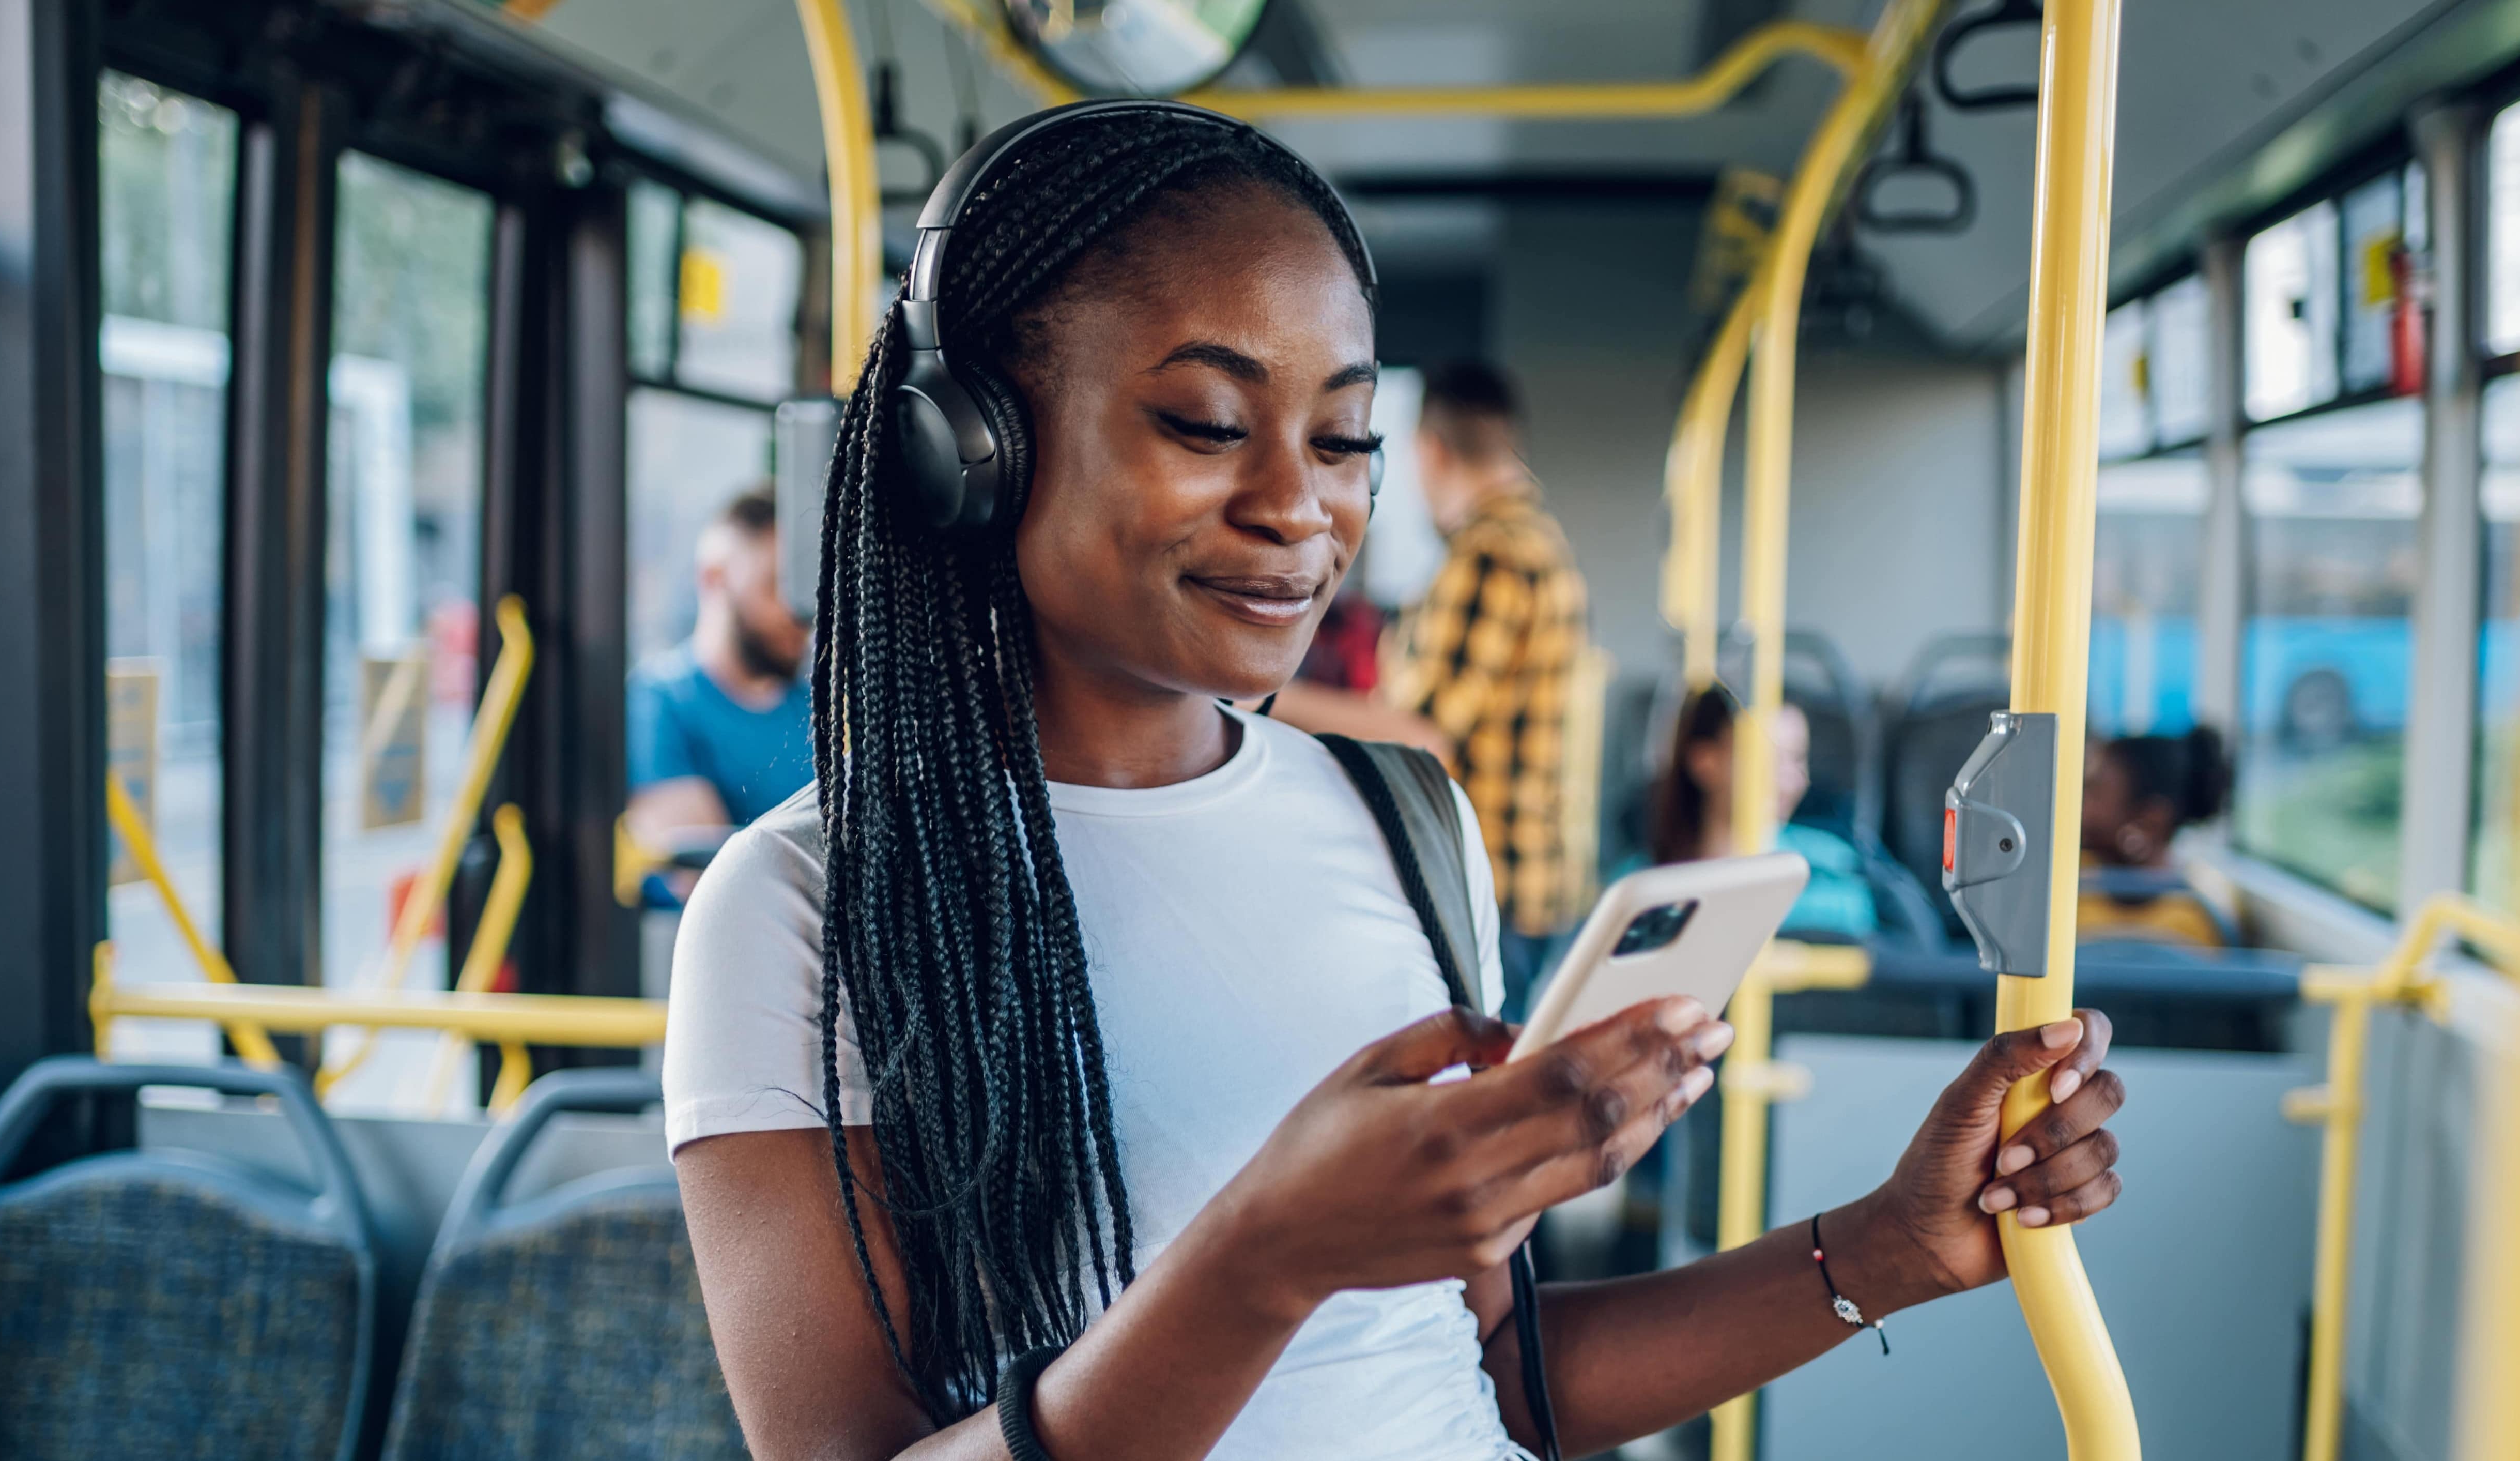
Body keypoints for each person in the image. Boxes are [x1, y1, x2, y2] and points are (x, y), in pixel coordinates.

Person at [666, 102, 2126, 1461]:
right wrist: (1265, 1258)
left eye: (1347, 437)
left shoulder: (1401, 823)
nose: (1300, 505)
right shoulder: (797, 908)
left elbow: (1489, 1373)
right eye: (1206, 425)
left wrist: (1883, 1248)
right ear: (965, 450)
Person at [1279, 361, 1591, 1003]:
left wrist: (1267, 699)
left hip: (1488, 882)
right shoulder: (1542, 543)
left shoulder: (1488, 554)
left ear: (1430, 452)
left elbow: (1423, 738)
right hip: (1532, 880)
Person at [624, 486, 813, 893]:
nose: (798, 613)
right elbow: (707, 882)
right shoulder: (658, 702)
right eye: (775, 587)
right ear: (714, 577)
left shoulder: (820, 712)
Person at [1630, 684, 1878, 941]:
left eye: (1797, 759)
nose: (1790, 780)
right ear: (1704, 761)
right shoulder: (1639, 888)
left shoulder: (1837, 871)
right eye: (1769, 759)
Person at [2077, 727, 2238, 948]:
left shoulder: (2201, 916)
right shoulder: (2067, 881)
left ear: (2150, 822)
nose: (2078, 806)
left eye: (2093, 793)